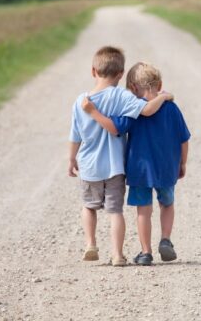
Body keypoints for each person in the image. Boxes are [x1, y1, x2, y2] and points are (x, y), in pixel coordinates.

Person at [69, 47, 172, 266]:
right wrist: (164, 97)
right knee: (115, 211)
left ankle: (90, 244)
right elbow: (146, 110)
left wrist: (71, 159)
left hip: (88, 166)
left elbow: (75, 135)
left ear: (93, 71)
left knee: (88, 206)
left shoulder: (81, 100)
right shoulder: (122, 96)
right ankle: (117, 254)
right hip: (115, 166)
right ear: (121, 74)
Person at [82, 62, 190, 266]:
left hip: (140, 169)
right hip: (167, 167)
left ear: (131, 88)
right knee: (167, 203)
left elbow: (115, 127)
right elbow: (183, 139)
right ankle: (165, 239)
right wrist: (182, 163)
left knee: (143, 210)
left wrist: (94, 112)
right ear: (160, 84)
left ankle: (146, 251)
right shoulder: (172, 108)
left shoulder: (132, 110)